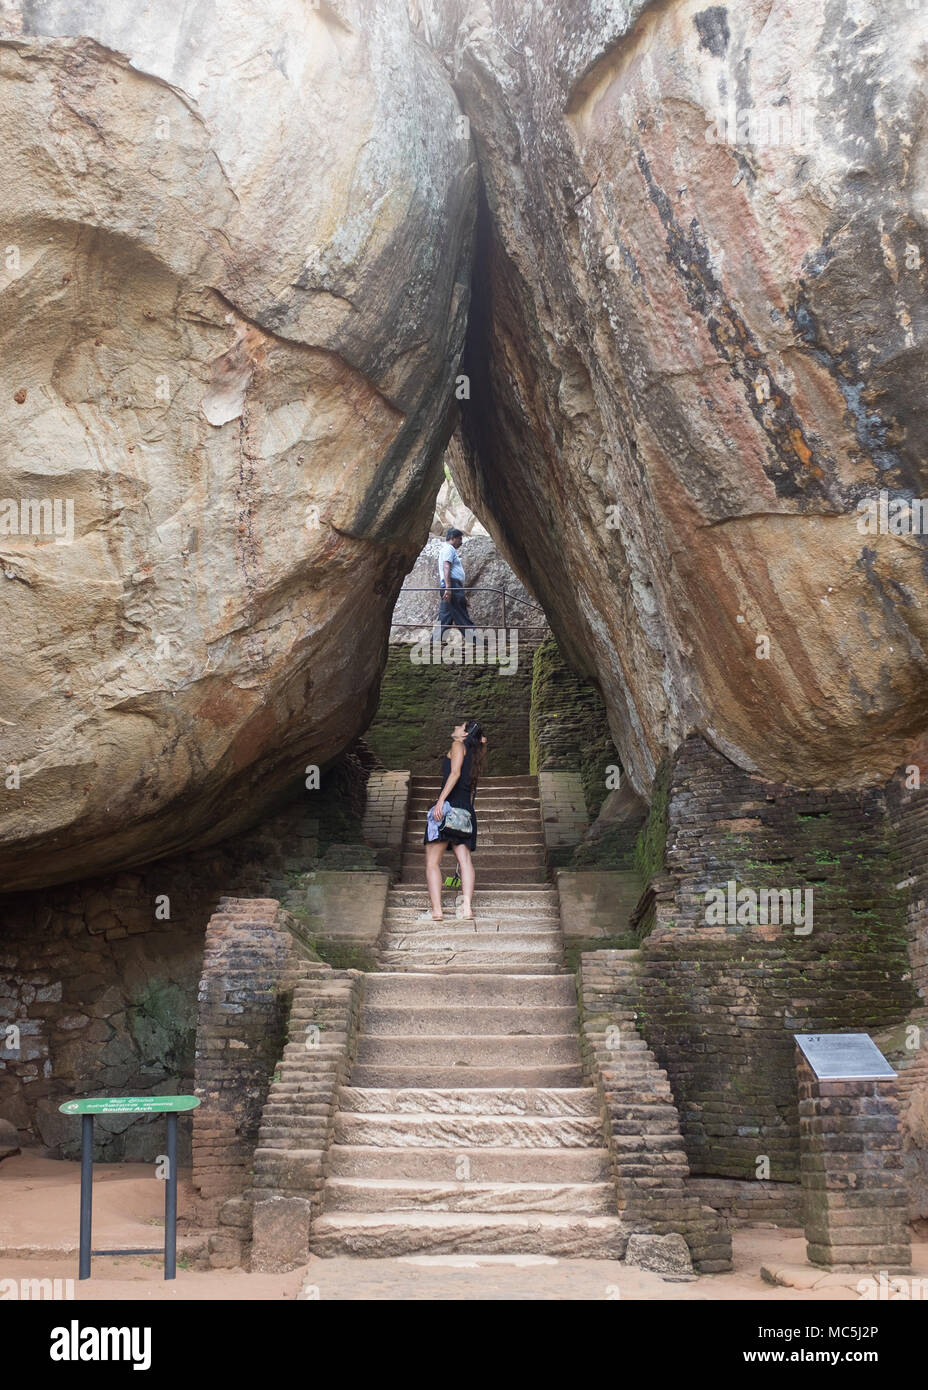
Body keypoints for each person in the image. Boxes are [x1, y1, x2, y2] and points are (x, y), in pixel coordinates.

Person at [422, 719, 487, 921]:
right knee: (465, 861)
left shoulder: (457, 745)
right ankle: (466, 907)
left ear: (465, 734)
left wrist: (441, 801)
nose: (456, 727)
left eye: (461, 726)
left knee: (433, 863)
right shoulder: (475, 754)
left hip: (448, 807)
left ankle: (437, 910)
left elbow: (455, 773)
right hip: (465, 810)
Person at [437, 528, 475, 633]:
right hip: (452, 586)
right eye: (460, 539)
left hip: (453, 586)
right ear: (453, 538)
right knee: (462, 616)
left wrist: (461, 593)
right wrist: (449, 588)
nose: (461, 542)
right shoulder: (449, 549)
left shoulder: (448, 549)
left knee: (445, 617)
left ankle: (435, 642)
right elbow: (446, 566)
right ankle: (477, 641)